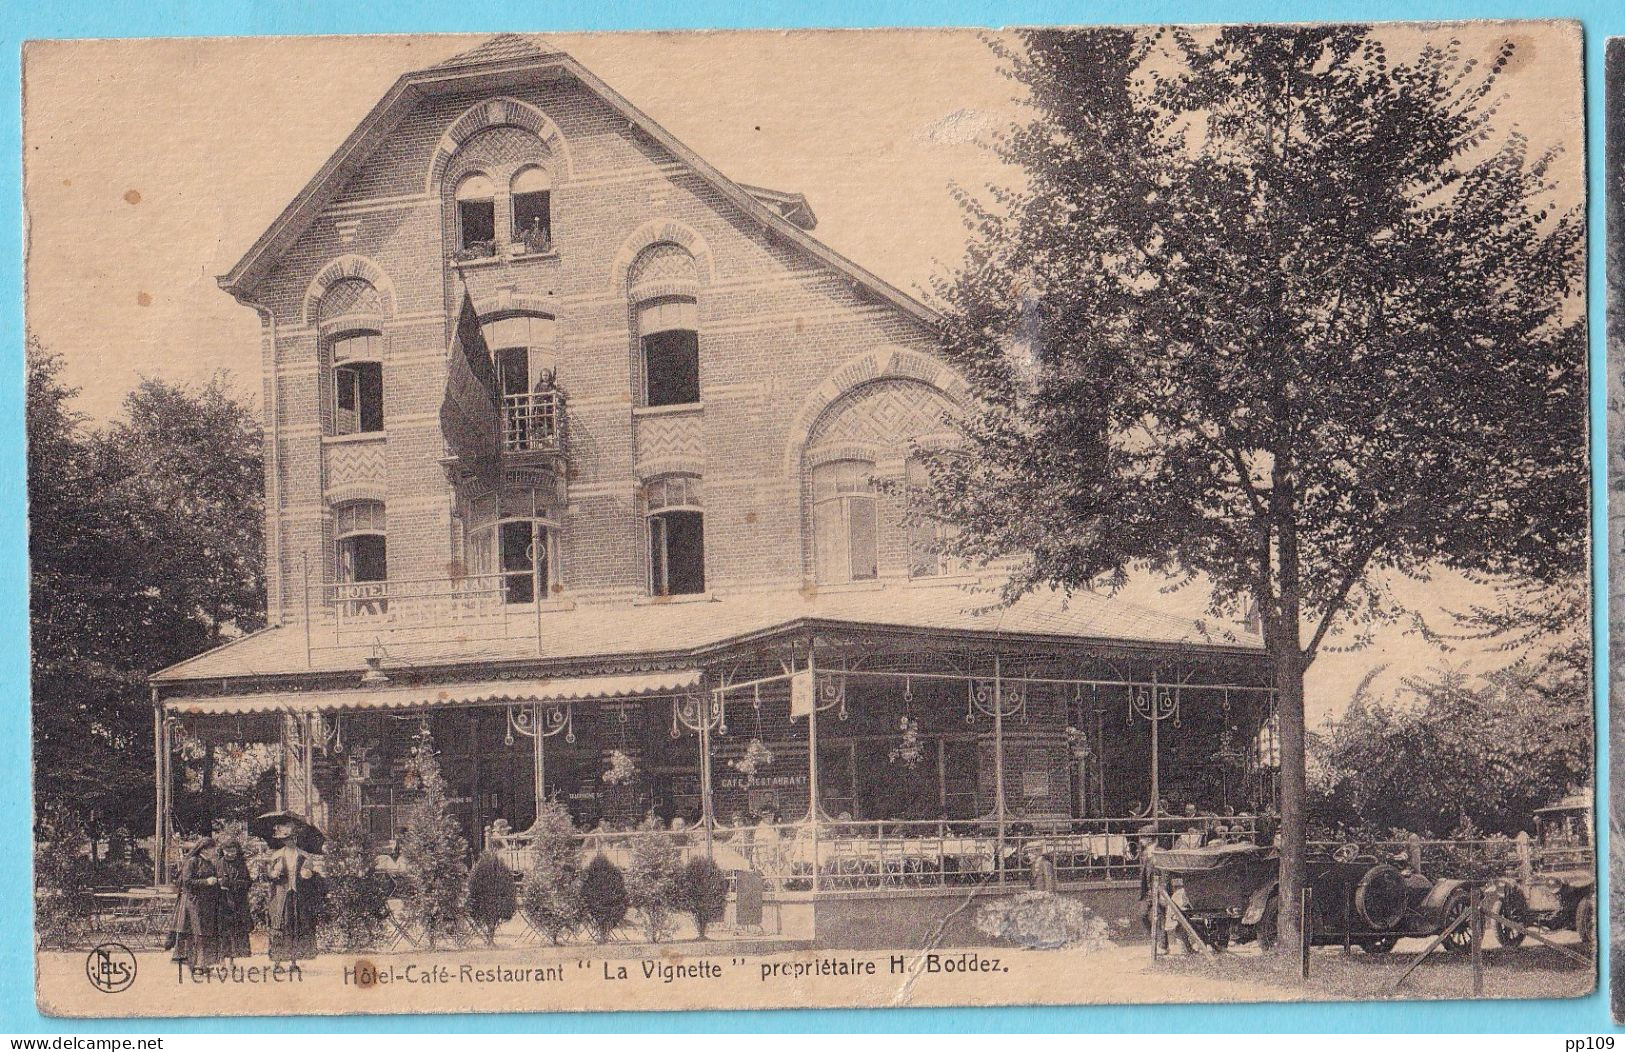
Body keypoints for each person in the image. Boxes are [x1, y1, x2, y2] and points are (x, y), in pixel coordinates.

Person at [265, 822, 320, 962]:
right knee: (280, 925)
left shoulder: (304, 855)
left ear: (296, 838)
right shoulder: (276, 855)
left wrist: (307, 873)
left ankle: (294, 960)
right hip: (281, 896)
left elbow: (310, 873)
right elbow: (269, 875)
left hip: (298, 895)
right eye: (286, 838)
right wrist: (274, 873)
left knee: (297, 925)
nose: (290, 841)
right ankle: (278, 960)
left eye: (292, 837)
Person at [169, 836, 222, 968]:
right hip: (193, 903)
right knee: (196, 933)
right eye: (212, 848)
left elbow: (213, 880)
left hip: (207, 904)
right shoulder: (192, 861)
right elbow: (187, 882)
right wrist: (206, 882)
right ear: (204, 849)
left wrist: (217, 883)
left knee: (205, 933)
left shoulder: (210, 863)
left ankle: (203, 963)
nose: (214, 851)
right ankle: (195, 964)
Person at [214, 840, 253, 960]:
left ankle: (235, 958)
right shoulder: (218, 864)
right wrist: (218, 884)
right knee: (223, 930)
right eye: (227, 851)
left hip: (239, 901)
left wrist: (232, 884)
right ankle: (222, 958)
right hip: (223, 901)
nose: (230, 854)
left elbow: (248, 882)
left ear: (237, 851)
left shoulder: (241, 864)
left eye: (232, 851)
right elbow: (213, 881)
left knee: (238, 929)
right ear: (222, 851)